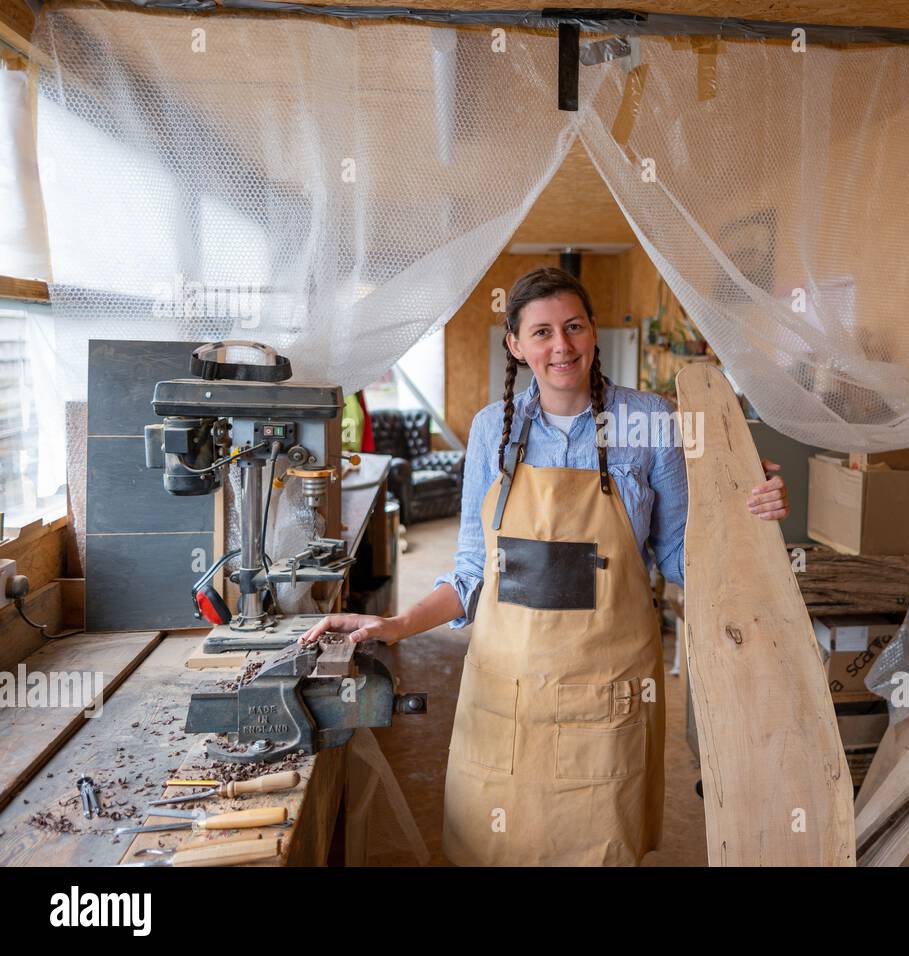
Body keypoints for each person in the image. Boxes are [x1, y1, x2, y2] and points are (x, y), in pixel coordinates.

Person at [301, 266, 788, 865]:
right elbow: (475, 573)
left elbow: (683, 559)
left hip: (608, 689)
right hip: (511, 695)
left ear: (593, 333)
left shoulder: (651, 422)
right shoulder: (491, 431)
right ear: (515, 344)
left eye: (574, 327)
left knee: (600, 843)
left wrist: (745, 513)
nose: (562, 345)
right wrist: (396, 627)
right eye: (542, 332)